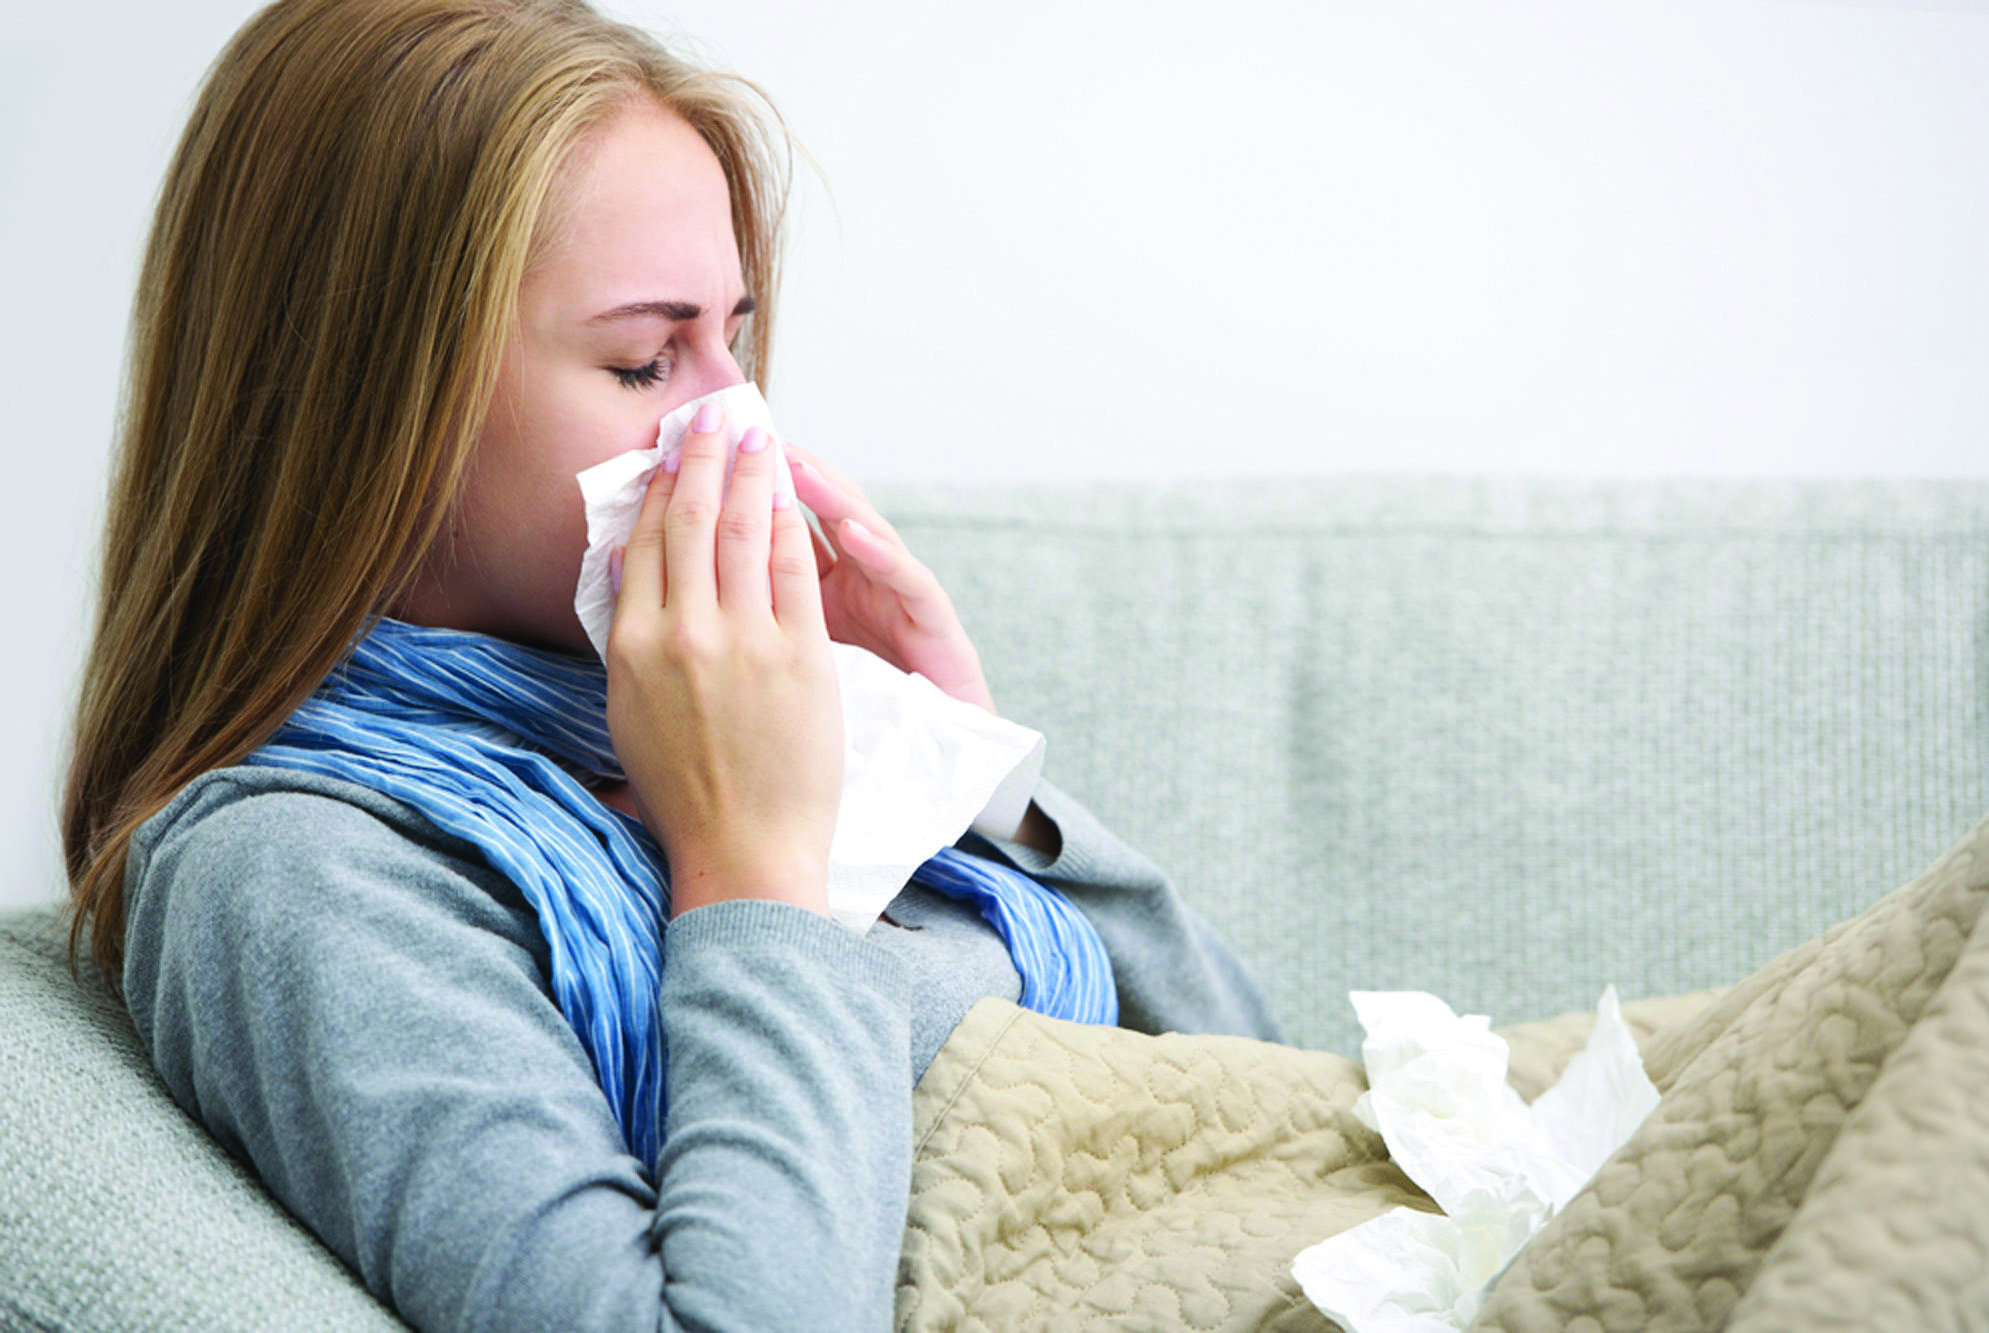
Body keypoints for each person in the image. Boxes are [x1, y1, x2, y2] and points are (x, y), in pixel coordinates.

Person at [59, 1, 1283, 1328]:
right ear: (370, 411)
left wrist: (950, 764)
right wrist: (750, 867)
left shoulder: (707, 723)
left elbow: (1263, 1097)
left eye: (735, 344)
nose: (735, 426)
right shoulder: (302, 875)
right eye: (646, 361)